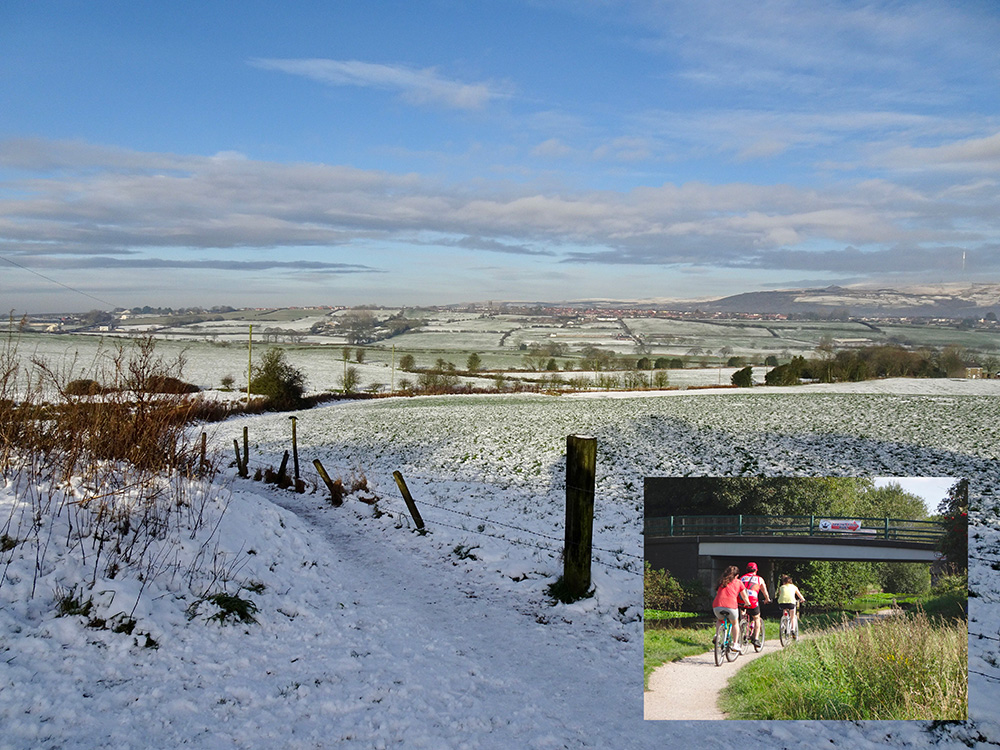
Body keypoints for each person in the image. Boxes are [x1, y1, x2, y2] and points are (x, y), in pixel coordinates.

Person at [712, 565, 750, 651]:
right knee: (735, 623)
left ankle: (717, 635)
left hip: (717, 605)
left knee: (719, 620)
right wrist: (747, 603)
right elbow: (744, 596)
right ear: (736, 576)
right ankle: (735, 644)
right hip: (731, 606)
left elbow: (718, 592)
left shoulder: (721, 581)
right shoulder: (739, 582)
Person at [739, 562, 770, 647]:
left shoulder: (742, 578)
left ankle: (742, 630)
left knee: (742, 612)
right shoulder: (759, 579)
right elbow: (764, 591)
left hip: (741, 600)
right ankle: (756, 639)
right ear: (756, 570)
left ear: (747, 570)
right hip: (752, 601)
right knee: (757, 618)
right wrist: (767, 599)